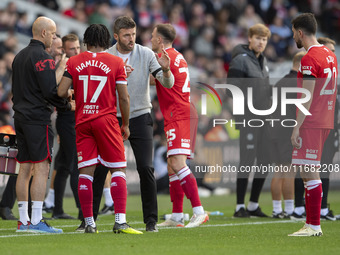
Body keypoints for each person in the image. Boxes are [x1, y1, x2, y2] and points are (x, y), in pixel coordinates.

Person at [82, 15, 174, 233]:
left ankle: (150, 220)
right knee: (101, 169)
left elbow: (167, 84)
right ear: (116, 36)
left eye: (133, 34)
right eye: (126, 35)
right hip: (111, 117)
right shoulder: (107, 57)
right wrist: (117, 77)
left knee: (146, 168)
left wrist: (167, 69)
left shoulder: (146, 54)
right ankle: (88, 220)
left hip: (141, 116)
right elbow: (99, 89)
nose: (131, 38)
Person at [57, 23, 142, 234]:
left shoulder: (74, 61)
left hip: (83, 121)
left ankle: (89, 223)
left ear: (86, 40)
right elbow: (123, 96)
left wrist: (71, 95)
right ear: (107, 41)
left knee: (86, 172)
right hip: (106, 120)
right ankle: (120, 221)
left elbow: (60, 91)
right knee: (118, 169)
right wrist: (125, 124)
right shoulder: (116, 62)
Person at [12, 16, 74, 233]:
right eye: (54, 33)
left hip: (19, 117)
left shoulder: (19, 56)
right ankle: (37, 221)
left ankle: (23, 221)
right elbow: (50, 92)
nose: (55, 37)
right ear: (44, 33)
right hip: (37, 120)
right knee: (41, 167)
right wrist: (67, 104)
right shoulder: (43, 57)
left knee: (24, 168)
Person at [151, 24, 209, 228]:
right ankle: (176, 216)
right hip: (181, 111)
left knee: (177, 164)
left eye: (152, 36)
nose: (150, 39)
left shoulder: (163, 57)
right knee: (171, 164)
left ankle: (199, 211)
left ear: (159, 40)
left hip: (179, 113)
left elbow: (153, 79)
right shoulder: (177, 55)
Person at [289, 13, 338, 237]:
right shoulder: (330, 54)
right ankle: (311, 223)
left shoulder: (309, 58)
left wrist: (297, 125)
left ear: (300, 32)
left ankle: (314, 226)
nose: (293, 37)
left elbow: (306, 95)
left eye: (293, 33)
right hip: (325, 119)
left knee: (310, 171)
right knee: (306, 172)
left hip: (312, 120)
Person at [227, 23, 272, 218]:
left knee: (265, 160)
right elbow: (231, 89)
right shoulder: (241, 61)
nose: (261, 42)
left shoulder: (264, 62)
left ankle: (253, 204)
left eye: (264, 39)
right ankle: (239, 206)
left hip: (264, 118)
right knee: (247, 160)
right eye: (258, 38)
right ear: (250, 39)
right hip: (248, 117)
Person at [270, 51, 305, 218]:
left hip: (275, 130)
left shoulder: (280, 82)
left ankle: (277, 209)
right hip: (288, 131)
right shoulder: (299, 83)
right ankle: (290, 210)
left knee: (278, 171)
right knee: (290, 171)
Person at [51, 34, 82, 220]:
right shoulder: (62, 66)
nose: (76, 52)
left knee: (62, 165)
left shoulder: (78, 64)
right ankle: (82, 210)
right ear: (64, 50)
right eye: (72, 49)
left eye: (78, 48)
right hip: (67, 119)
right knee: (75, 165)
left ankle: (57, 209)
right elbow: (56, 91)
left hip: (72, 119)